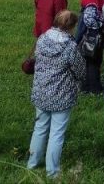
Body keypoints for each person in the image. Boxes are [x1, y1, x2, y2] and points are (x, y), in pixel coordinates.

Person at [27, 10, 85, 178]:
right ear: (72, 27)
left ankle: (32, 164)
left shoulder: (43, 39)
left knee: (39, 128)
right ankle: (52, 172)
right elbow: (80, 70)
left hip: (41, 90)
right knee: (57, 133)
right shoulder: (70, 46)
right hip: (61, 95)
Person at [76, 0, 104, 95]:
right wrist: (102, 24)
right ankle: (94, 88)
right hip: (92, 36)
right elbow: (88, 19)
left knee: (90, 61)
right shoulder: (92, 0)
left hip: (90, 35)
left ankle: (86, 86)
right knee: (93, 60)